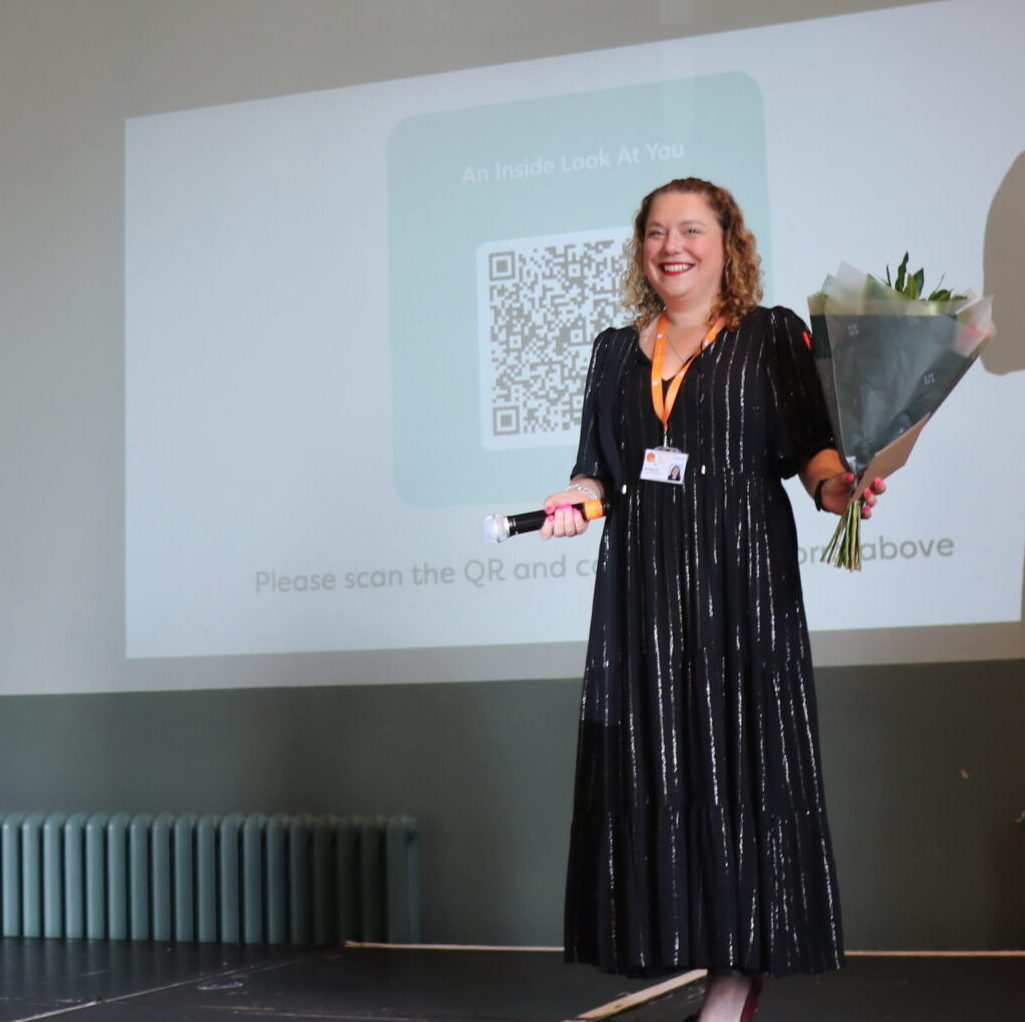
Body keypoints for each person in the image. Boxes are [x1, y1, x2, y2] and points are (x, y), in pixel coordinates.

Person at [540, 177, 884, 1022]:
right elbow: (599, 475)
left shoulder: (770, 337)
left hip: (741, 589)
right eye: (655, 232)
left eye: (690, 230)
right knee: (660, 771)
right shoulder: (615, 351)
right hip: (642, 595)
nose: (670, 246)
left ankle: (735, 980)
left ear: (727, 242)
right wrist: (572, 504)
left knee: (741, 765)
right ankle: (689, 951)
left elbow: (815, 458)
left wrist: (846, 489)